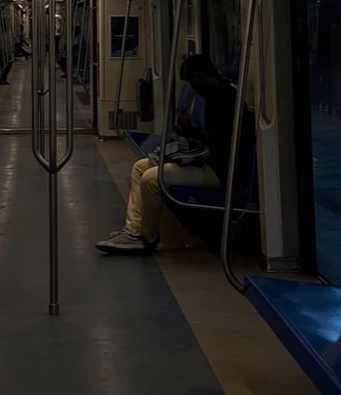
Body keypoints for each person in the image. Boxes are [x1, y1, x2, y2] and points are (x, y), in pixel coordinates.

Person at [96, 54, 252, 254]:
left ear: (200, 77)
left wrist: (191, 131)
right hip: (205, 161)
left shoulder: (227, 100)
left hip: (219, 170)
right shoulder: (214, 96)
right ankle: (134, 230)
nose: (194, 89)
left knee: (152, 178)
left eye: (192, 83)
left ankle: (147, 238)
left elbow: (221, 144)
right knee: (140, 167)